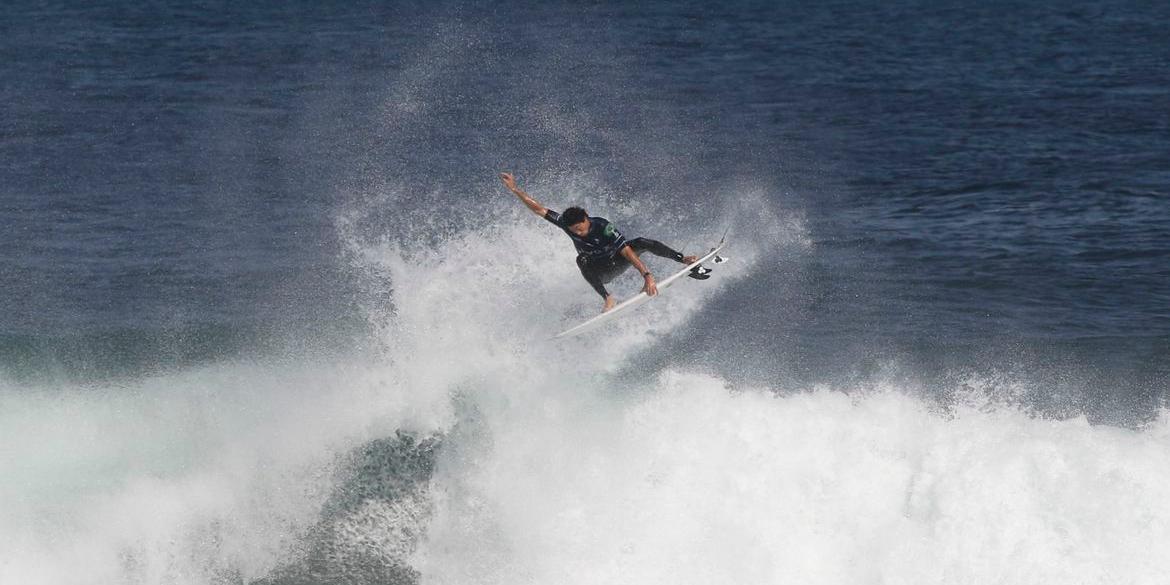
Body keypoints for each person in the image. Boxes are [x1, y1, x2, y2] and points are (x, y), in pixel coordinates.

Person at [500, 172, 699, 312]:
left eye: (581, 227)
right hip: (600, 270)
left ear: (586, 216)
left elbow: (627, 251)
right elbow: (538, 209)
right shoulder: (564, 222)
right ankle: (608, 298)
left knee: (641, 242)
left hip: (617, 261)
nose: (580, 232)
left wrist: (646, 275)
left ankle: (683, 259)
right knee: (581, 259)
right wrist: (514, 189)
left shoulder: (603, 226)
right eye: (575, 230)